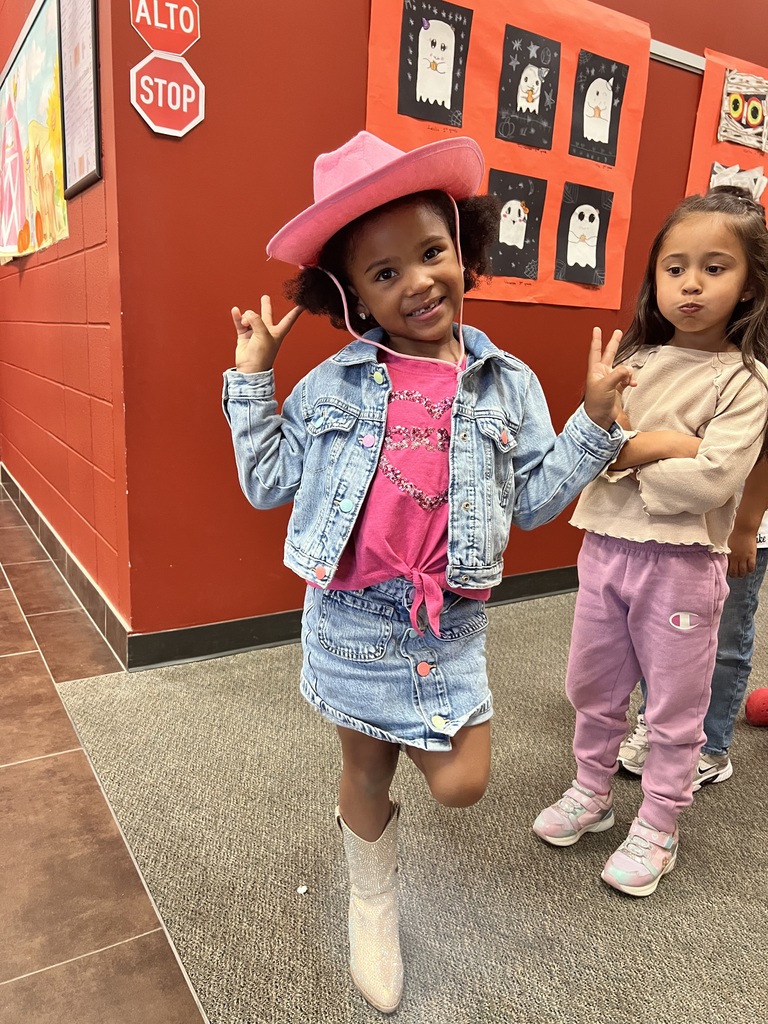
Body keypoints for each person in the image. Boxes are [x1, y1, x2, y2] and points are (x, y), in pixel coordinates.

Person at [221, 131, 635, 1013]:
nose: (416, 282)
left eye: (432, 253)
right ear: (350, 295)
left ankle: (404, 742)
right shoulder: (333, 384)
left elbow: (530, 503)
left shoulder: (508, 382)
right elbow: (265, 483)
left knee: (462, 783)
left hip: (448, 627)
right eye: (382, 273)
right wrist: (252, 380)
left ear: (465, 247)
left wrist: (593, 426)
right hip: (350, 618)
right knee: (365, 770)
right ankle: (371, 898)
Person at [533, 186, 768, 897]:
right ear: (655, 278)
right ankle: (591, 791)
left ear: (752, 282)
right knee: (592, 685)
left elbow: (709, 484)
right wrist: (660, 444)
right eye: (675, 267)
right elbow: (588, 446)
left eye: (715, 267)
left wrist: (626, 451)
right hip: (605, 548)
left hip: (683, 564)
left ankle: (660, 824)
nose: (691, 283)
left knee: (673, 705)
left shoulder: (747, 380)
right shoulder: (632, 354)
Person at [618, 455, 768, 787]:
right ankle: (656, 727)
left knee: (726, 639)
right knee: (663, 634)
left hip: (742, 524)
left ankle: (713, 749)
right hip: (681, 520)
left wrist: (746, 528)